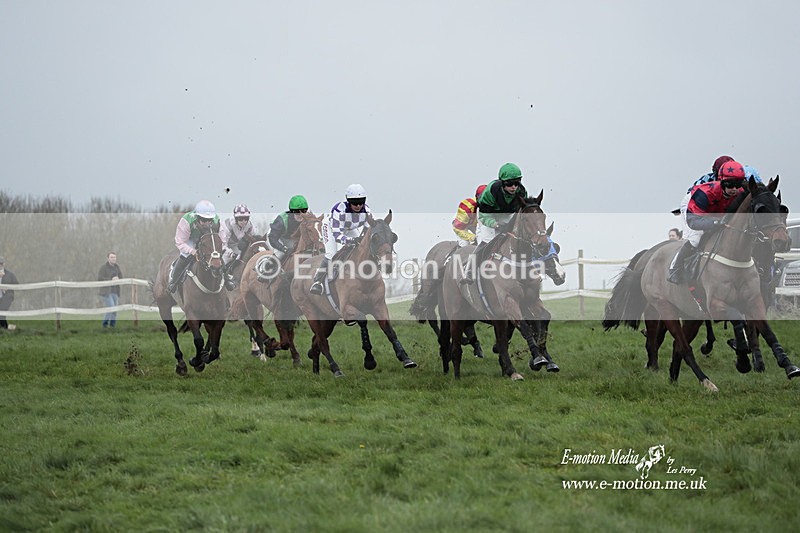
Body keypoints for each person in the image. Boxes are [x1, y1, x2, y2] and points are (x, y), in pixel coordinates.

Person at [668, 160, 746, 284]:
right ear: (722, 182)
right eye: (730, 185)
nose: (735, 189)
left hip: (713, 209)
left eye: (738, 184)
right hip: (694, 208)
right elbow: (693, 222)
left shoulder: (741, 191)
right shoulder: (704, 194)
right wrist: (715, 223)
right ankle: (675, 268)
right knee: (695, 239)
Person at [462, 163, 528, 282]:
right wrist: (494, 224)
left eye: (517, 183)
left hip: (507, 215)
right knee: (487, 241)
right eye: (510, 184)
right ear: (502, 183)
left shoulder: (522, 192)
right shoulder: (491, 191)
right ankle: (470, 270)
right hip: (488, 214)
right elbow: (483, 215)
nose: (514, 187)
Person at [310, 184, 371, 295]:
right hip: (331, 228)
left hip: (349, 229)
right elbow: (337, 235)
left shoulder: (366, 211)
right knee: (331, 253)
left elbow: (367, 231)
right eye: (354, 202)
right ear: (348, 201)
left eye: (361, 201)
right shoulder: (339, 210)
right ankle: (318, 281)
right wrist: (350, 241)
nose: (358, 205)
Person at [167, 200, 221, 293]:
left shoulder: (217, 220)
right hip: (191, 239)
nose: (207, 223)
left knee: (217, 256)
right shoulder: (187, 220)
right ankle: (174, 281)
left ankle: (227, 279)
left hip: (207, 239)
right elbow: (180, 242)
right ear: (197, 217)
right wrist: (192, 251)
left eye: (209, 220)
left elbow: (221, 239)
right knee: (185, 255)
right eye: (204, 220)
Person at [219, 203, 256, 289]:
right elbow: (223, 244)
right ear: (236, 218)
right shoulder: (228, 225)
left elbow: (254, 240)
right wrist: (230, 253)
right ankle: (221, 281)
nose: (243, 221)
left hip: (237, 245)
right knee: (224, 261)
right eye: (240, 219)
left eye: (246, 219)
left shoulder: (249, 225)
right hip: (225, 246)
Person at [269, 195, 309, 261]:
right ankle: (267, 265)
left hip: (293, 240)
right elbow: (272, 238)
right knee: (280, 254)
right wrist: (284, 249)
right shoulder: (282, 220)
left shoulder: (308, 218)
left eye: (303, 211)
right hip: (278, 237)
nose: (301, 214)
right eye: (297, 212)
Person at [98, 251, 123, 328]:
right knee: (111, 307)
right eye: (111, 257)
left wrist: (118, 278)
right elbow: (100, 279)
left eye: (114, 257)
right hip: (106, 292)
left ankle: (112, 326)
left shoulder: (117, 267)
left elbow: (121, 277)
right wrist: (111, 280)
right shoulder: (103, 268)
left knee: (115, 310)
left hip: (115, 291)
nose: (113, 259)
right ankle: (105, 324)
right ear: (108, 258)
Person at [0, 256, 18, 330]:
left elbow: (16, 284)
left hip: (6, 297)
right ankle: (6, 327)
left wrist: (7, 287)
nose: (0, 265)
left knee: (2, 311)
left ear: (4, 264)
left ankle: (5, 327)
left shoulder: (9, 274)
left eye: (1, 263)